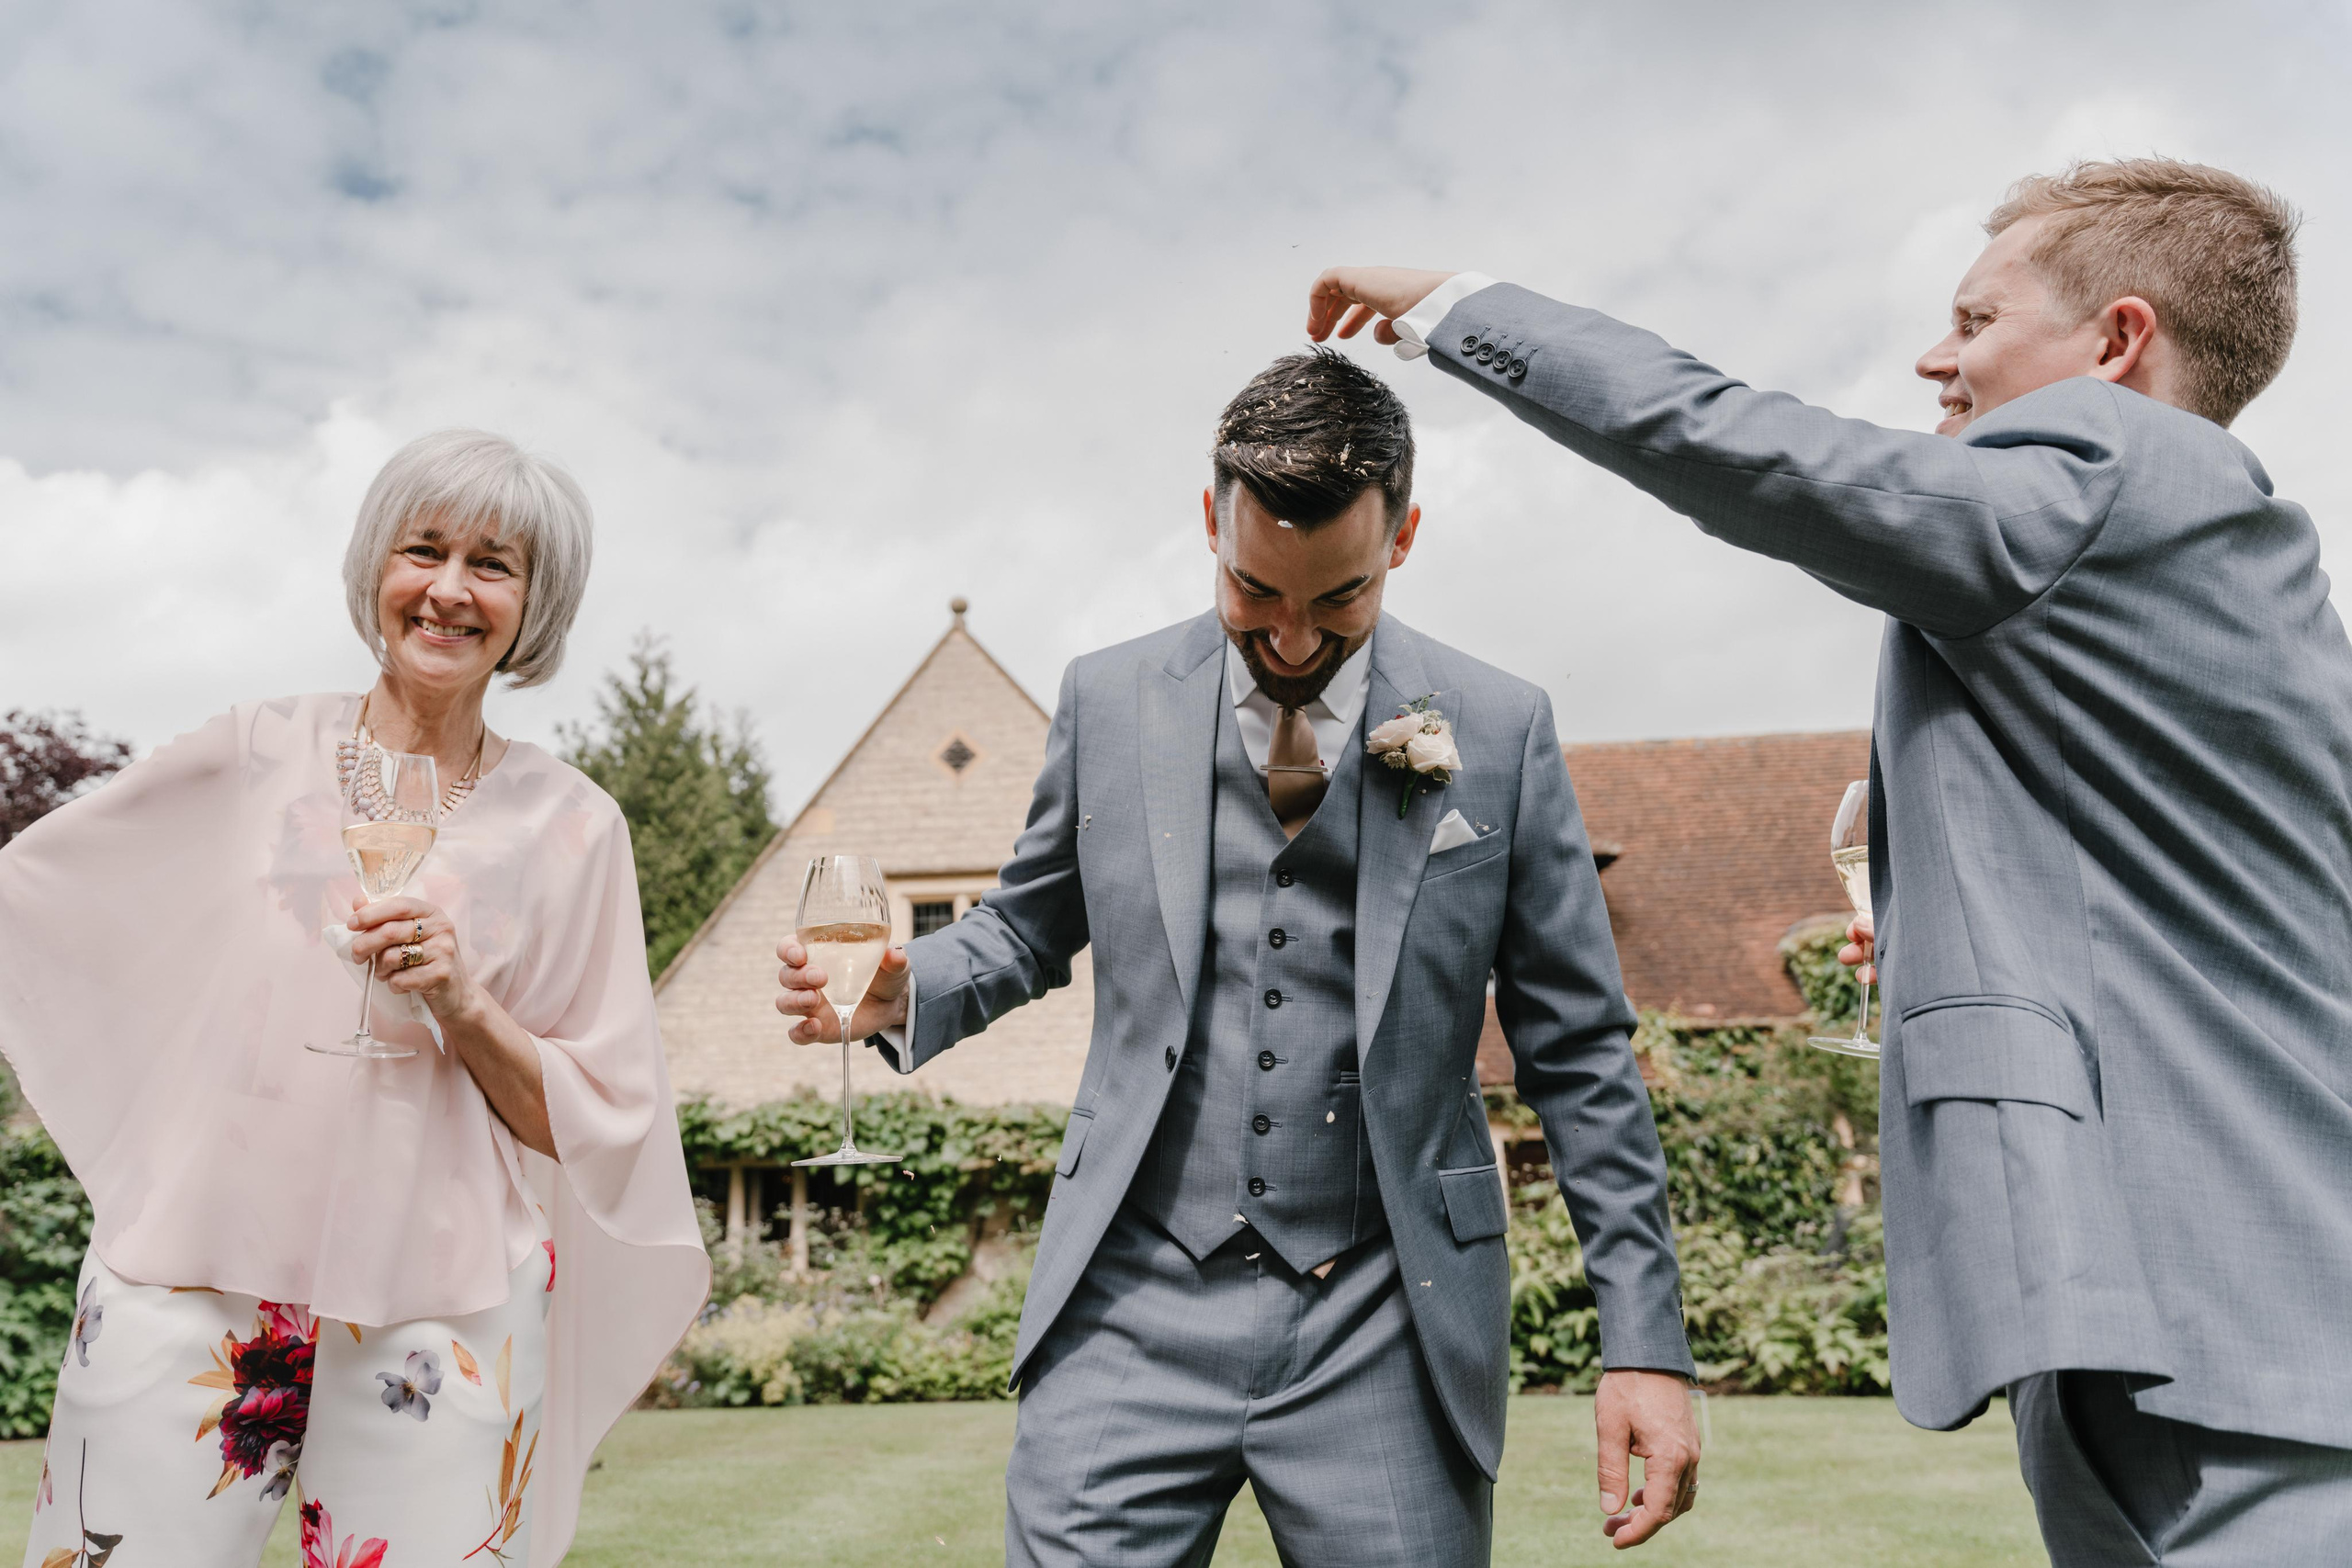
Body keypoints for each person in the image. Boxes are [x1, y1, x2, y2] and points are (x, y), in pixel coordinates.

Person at [1304, 158, 2352, 1563]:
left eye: (1977, 320)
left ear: (2117, 342)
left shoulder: (2116, 474)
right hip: (2197, 1328)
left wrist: (1453, 303)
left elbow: (1745, 445)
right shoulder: (2217, 573)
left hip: (2239, 1353)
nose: (1935, 358)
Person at [777, 350, 1699, 1564]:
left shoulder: (1500, 725)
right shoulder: (1107, 699)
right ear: (1211, 523)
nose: (1295, 638)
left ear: (1404, 536)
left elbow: (1578, 1051)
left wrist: (1644, 1340)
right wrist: (910, 987)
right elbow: (1028, 923)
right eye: (1255, 590)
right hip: (1130, 1301)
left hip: (1388, 1314)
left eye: (1340, 597)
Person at [0, 430, 709, 1566]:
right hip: (191, 1266)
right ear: (375, 564)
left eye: (492, 565)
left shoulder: (577, 827)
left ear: (535, 605)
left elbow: (583, 1119)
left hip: (445, 1303)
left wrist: (466, 1004)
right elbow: (39, 895)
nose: (449, 590)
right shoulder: (254, 751)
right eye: (423, 550)